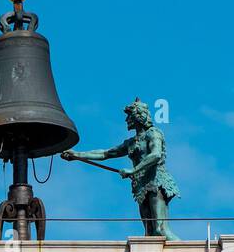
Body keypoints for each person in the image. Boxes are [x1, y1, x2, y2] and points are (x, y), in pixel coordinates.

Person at [62, 98, 179, 239]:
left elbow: (155, 155)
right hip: (142, 187)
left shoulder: (153, 133)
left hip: (156, 182)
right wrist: (77, 155)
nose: (126, 120)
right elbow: (105, 153)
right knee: (149, 233)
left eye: (129, 116)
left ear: (137, 116)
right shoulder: (131, 142)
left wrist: (133, 170)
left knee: (160, 229)